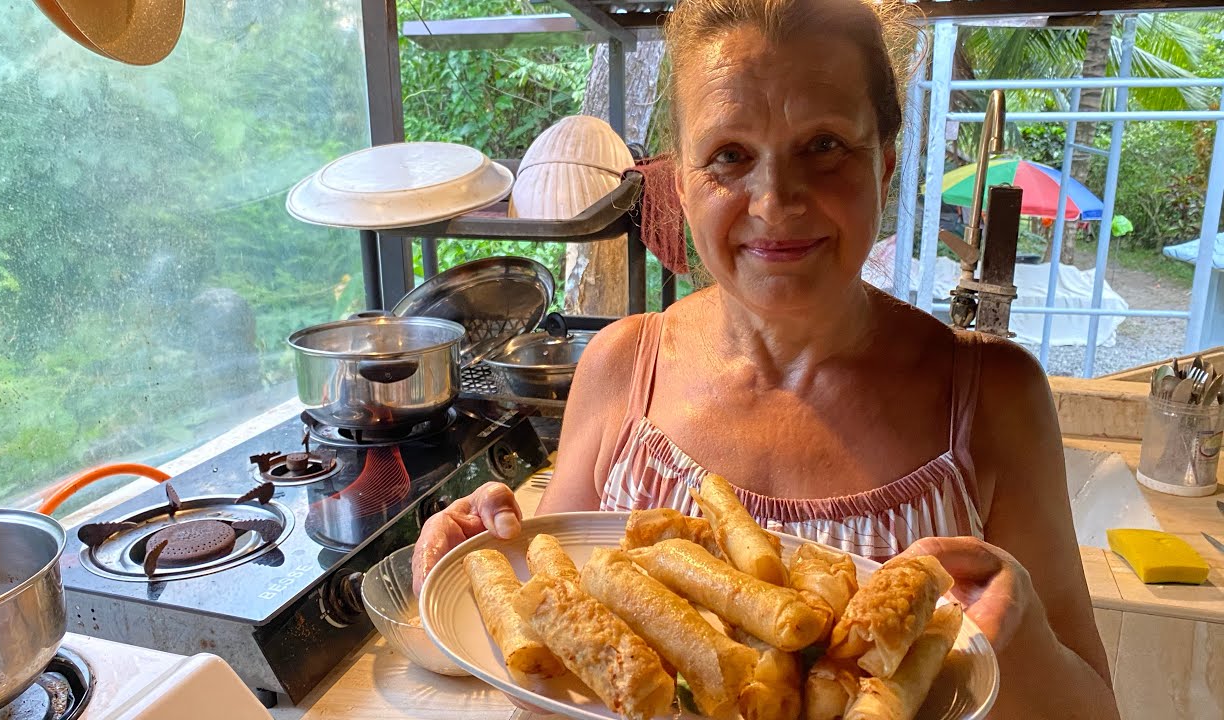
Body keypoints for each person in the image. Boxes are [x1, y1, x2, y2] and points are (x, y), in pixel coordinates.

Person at [413, 0, 1119, 716]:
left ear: (887, 163)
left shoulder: (994, 398)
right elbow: (547, 670)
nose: (776, 200)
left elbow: (1094, 709)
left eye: (825, 146)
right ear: (680, 184)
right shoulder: (620, 369)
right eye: (729, 155)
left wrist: (1016, 628)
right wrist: (483, 556)